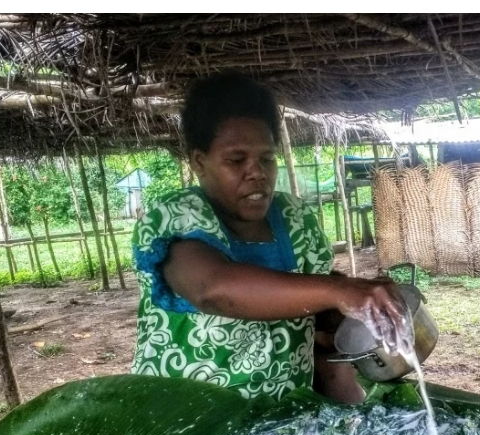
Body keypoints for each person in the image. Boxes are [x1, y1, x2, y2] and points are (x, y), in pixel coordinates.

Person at [130, 73, 409, 404]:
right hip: (188, 424)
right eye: (236, 160)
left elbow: (308, 300)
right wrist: (339, 290)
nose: (257, 172)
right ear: (199, 162)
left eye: (266, 158)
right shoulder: (175, 218)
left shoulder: (295, 220)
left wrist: (354, 310)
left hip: (283, 421)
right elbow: (213, 289)